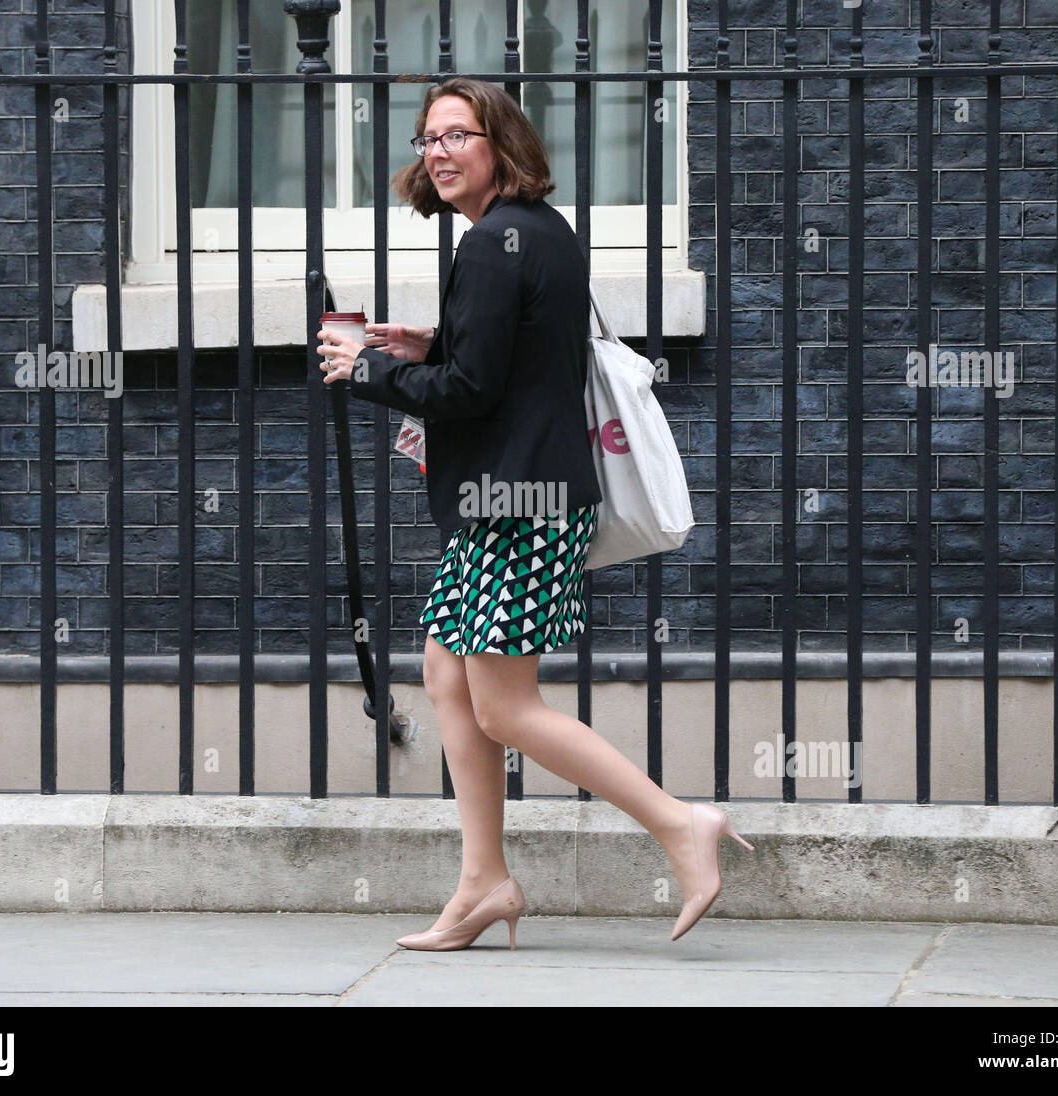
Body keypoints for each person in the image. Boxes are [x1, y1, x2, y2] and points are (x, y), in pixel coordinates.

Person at [315, 77, 753, 950]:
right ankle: (485, 881)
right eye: (425, 140)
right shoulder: (538, 235)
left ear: (498, 142)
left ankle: (679, 826)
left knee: (506, 707)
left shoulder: (488, 246)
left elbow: (470, 394)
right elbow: (516, 356)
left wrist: (365, 365)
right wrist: (427, 342)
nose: (436, 154)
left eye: (455, 136)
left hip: (517, 505)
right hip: (524, 498)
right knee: (447, 676)